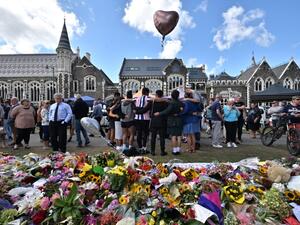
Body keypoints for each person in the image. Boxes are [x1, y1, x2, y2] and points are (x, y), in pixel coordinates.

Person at [136, 90, 168, 156]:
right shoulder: (165, 102)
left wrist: (137, 112)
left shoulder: (152, 102)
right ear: (162, 95)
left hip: (154, 120)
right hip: (162, 121)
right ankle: (162, 151)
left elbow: (145, 109)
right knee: (162, 137)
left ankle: (152, 151)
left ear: (156, 95)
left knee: (153, 137)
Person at [154, 90, 184, 155]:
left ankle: (174, 150)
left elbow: (167, 111)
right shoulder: (181, 103)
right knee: (179, 136)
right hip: (179, 120)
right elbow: (183, 111)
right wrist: (178, 114)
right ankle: (178, 150)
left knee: (173, 136)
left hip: (172, 120)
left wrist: (159, 113)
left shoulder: (171, 103)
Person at [135, 88, 151, 153]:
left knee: (139, 133)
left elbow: (134, 107)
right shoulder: (149, 99)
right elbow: (147, 108)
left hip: (137, 118)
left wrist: (137, 111)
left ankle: (140, 147)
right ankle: (144, 148)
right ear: (147, 92)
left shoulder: (137, 98)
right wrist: (141, 111)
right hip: (145, 119)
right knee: (145, 133)